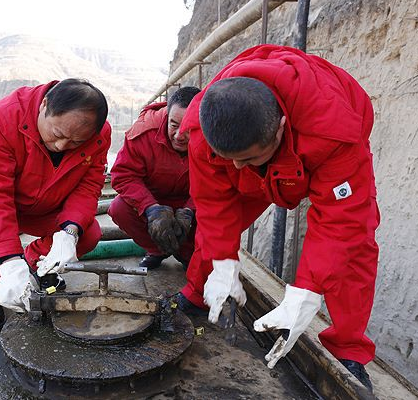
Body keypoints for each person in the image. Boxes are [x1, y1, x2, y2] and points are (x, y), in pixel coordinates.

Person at [177, 45, 379, 391]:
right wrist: (224, 267)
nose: (238, 167)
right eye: (230, 159)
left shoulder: (333, 130)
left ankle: (349, 349)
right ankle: (198, 293)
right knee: (216, 235)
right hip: (263, 155)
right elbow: (213, 207)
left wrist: (306, 291)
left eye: (247, 158)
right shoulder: (202, 133)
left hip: (312, 153)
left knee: (355, 247)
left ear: (280, 129)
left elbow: (342, 221)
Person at [0, 79, 111, 332]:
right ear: (44, 106)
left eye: (76, 143)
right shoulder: (5, 116)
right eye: (57, 134)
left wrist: (69, 232)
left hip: (49, 206)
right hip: (4, 200)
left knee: (90, 232)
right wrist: (9, 260)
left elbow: (87, 188)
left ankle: (36, 268)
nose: (63, 146)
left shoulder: (99, 136)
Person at [108, 86, 201, 272]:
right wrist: (150, 208)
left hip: (195, 201)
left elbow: (217, 184)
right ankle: (156, 250)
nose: (179, 136)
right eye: (174, 125)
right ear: (167, 115)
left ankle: (186, 252)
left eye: (188, 129)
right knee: (118, 208)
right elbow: (123, 175)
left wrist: (190, 210)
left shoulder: (211, 136)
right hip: (153, 201)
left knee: (217, 212)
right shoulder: (143, 132)